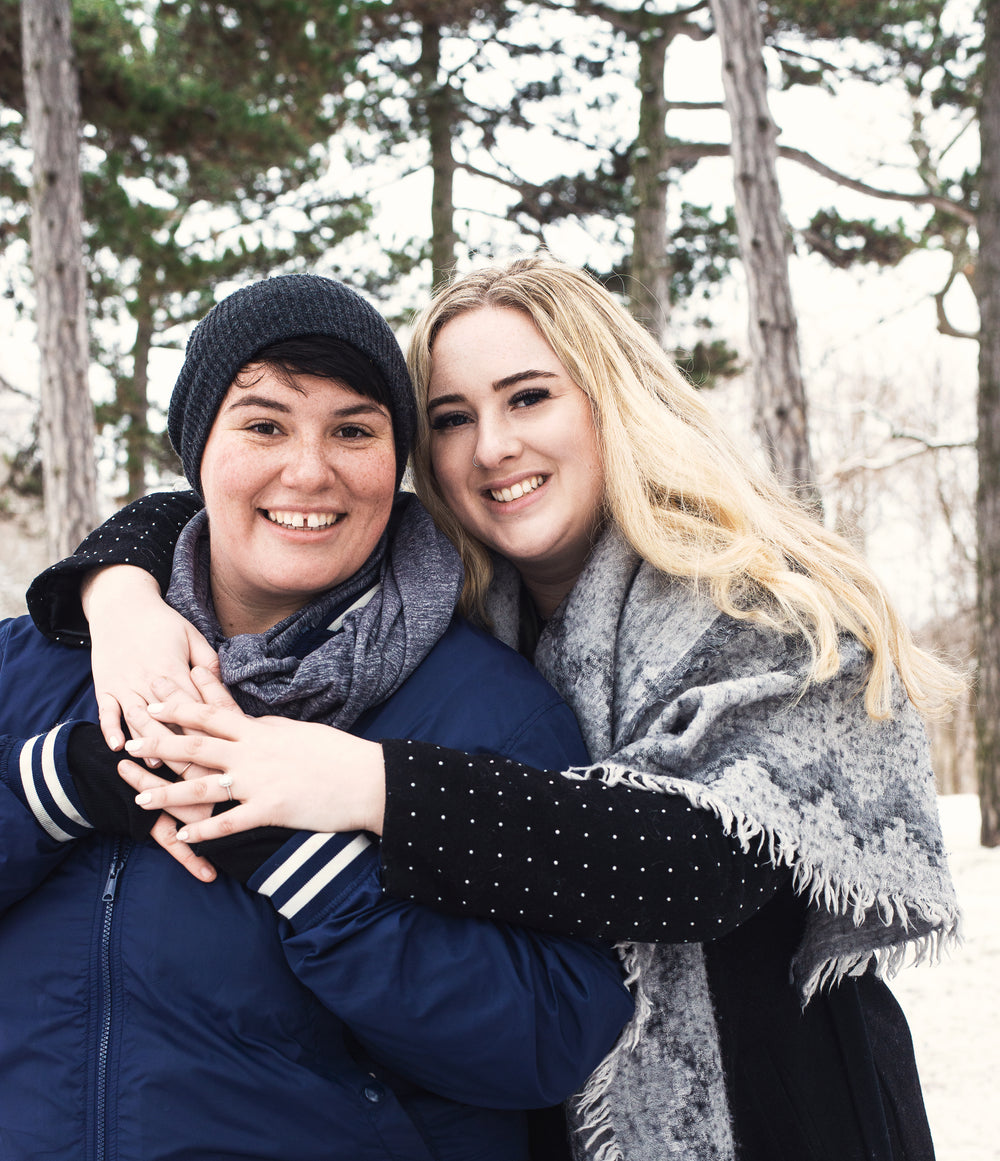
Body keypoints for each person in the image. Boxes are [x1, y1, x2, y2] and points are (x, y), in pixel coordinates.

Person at [27, 256, 962, 1161]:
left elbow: (705, 860)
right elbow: (239, 498)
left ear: (612, 400)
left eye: (529, 397)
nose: (493, 445)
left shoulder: (761, 605)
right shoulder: (460, 606)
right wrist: (117, 591)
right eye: (450, 417)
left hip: (781, 1103)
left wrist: (370, 782)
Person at [1, 272, 636, 1161]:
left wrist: (309, 868)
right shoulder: (36, 661)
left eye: (354, 430)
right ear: (199, 450)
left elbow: (551, 1037)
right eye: (264, 424)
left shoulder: (488, 705)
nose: (310, 469)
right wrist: (57, 787)